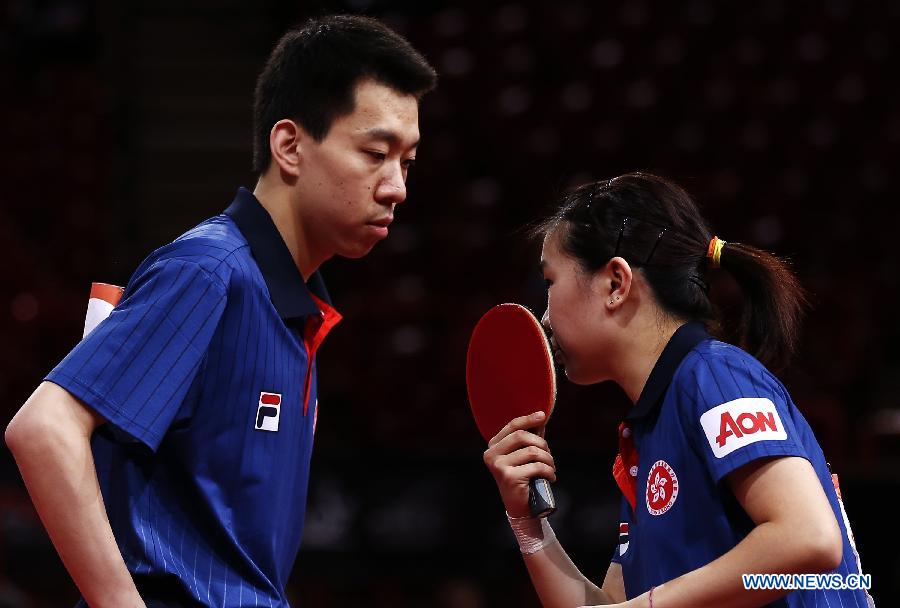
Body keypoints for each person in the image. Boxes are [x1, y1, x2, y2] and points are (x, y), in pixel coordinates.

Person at [5, 14, 436, 608]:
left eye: (407, 163)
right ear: (289, 146)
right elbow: (43, 428)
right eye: (375, 153)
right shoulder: (209, 273)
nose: (397, 187)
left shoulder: (294, 309)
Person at [483, 173, 874, 607]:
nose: (546, 316)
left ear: (616, 283)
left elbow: (809, 539)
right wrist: (527, 524)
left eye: (550, 282)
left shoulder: (715, 376)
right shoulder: (647, 434)